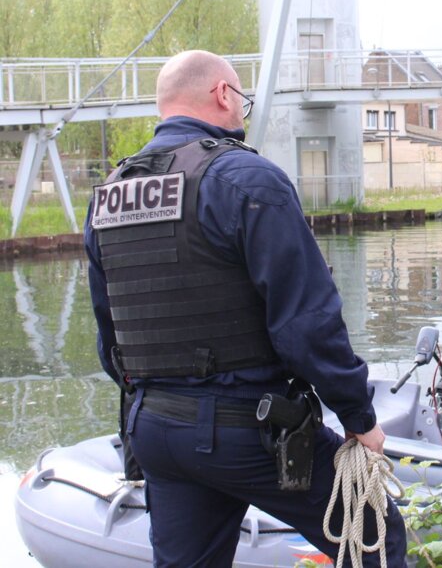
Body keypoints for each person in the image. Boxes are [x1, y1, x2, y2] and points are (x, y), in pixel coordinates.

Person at [84, 50, 407, 567]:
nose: (242, 112)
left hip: (156, 431)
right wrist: (358, 417)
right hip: (247, 427)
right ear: (222, 94)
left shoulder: (110, 195)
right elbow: (305, 324)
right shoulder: (246, 179)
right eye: (243, 100)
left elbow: (109, 334)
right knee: (373, 535)